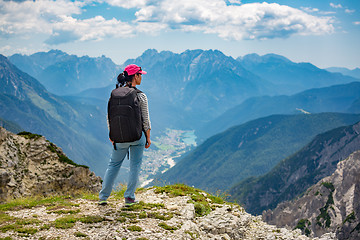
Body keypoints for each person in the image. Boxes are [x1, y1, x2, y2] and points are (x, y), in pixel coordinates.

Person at [99, 64, 151, 207]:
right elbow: (146, 120)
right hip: (137, 137)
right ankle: (129, 198)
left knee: (113, 165)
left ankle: (103, 197)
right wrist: (148, 137)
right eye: (140, 74)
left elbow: (109, 116)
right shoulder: (141, 95)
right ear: (135, 76)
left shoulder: (115, 94)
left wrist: (112, 135)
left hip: (119, 137)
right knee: (135, 166)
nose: (141, 77)